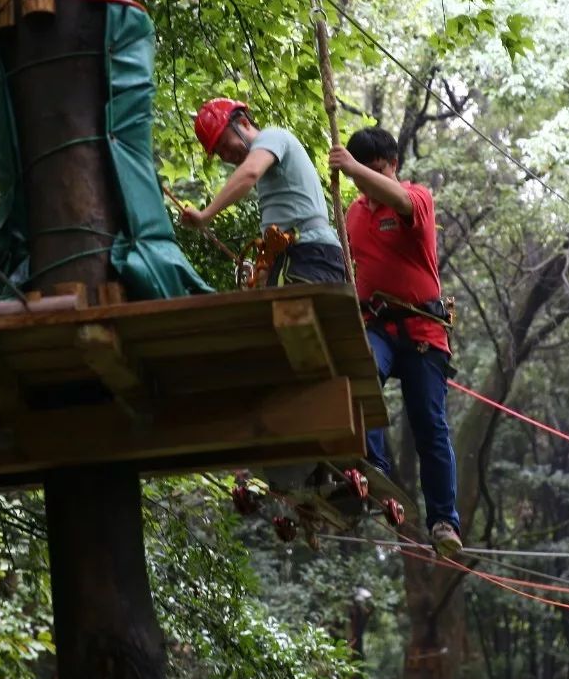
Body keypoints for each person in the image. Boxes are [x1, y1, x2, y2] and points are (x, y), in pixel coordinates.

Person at [328, 126, 461, 557]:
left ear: (393, 167)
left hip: (423, 330)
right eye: (361, 174)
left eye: (377, 171)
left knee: (429, 425)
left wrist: (352, 168)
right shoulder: (353, 214)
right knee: (357, 374)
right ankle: (373, 468)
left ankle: (444, 519)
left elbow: (400, 202)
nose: (368, 182)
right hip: (378, 326)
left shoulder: (415, 197)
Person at [182, 98, 345, 285]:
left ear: (244, 123)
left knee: (296, 314)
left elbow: (249, 173)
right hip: (295, 254)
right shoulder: (266, 163)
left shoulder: (272, 136)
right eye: (220, 153)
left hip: (310, 253)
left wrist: (205, 215)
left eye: (225, 144)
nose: (226, 156)